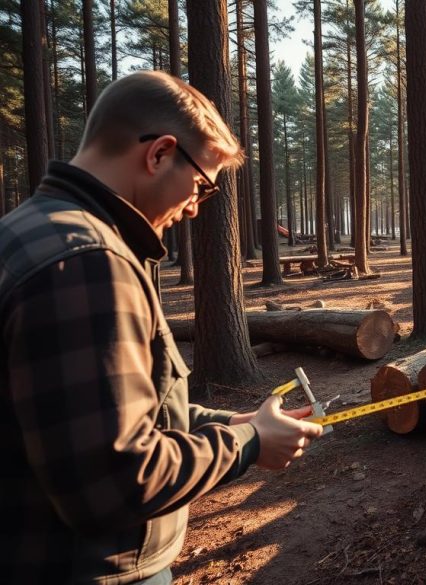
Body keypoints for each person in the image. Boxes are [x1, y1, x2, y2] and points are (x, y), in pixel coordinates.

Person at [0, 71, 323, 585]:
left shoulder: (31, 232)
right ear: (159, 154)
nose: (195, 206)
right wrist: (247, 443)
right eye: (200, 185)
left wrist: (229, 419)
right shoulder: (88, 263)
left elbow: (113, 409)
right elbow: (113, 483)